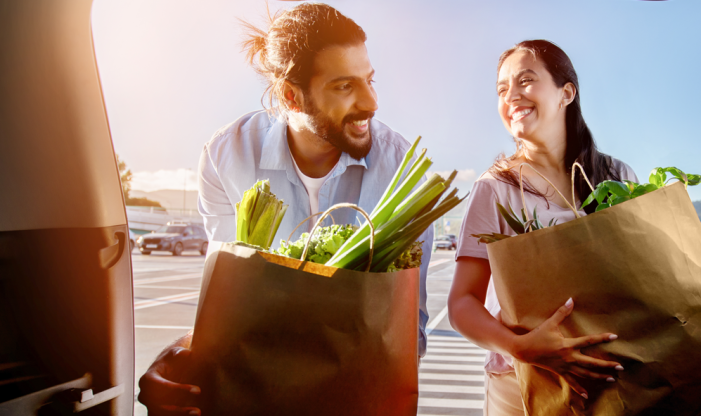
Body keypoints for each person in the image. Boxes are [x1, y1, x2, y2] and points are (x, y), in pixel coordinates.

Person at [137, 4, 433, 415]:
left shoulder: (401, 169)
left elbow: (407, 329)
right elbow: (226, 304)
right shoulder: (228, 156)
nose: (372, 102)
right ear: (291, 96)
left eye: (370, 79)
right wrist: (179, 357)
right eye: (345, 86)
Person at [448, 40, 639, 415]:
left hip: (607, 377)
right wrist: (518, 347)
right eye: (502, 88)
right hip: (520, 385)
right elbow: (461, 304)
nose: (512, 95)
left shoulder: (617, 177)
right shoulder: (495, 188)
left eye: (526, 81)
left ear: (566, 93)